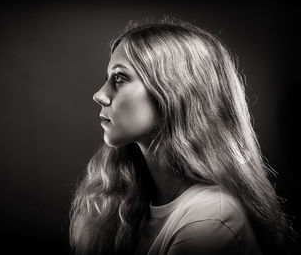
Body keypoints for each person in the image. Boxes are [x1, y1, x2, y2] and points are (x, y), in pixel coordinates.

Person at [69, 18, 295, 255]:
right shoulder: (130, 198)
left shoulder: (210, 221)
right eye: (108, 79)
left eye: (119, 78)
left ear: (174, 93)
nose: (100, 95)